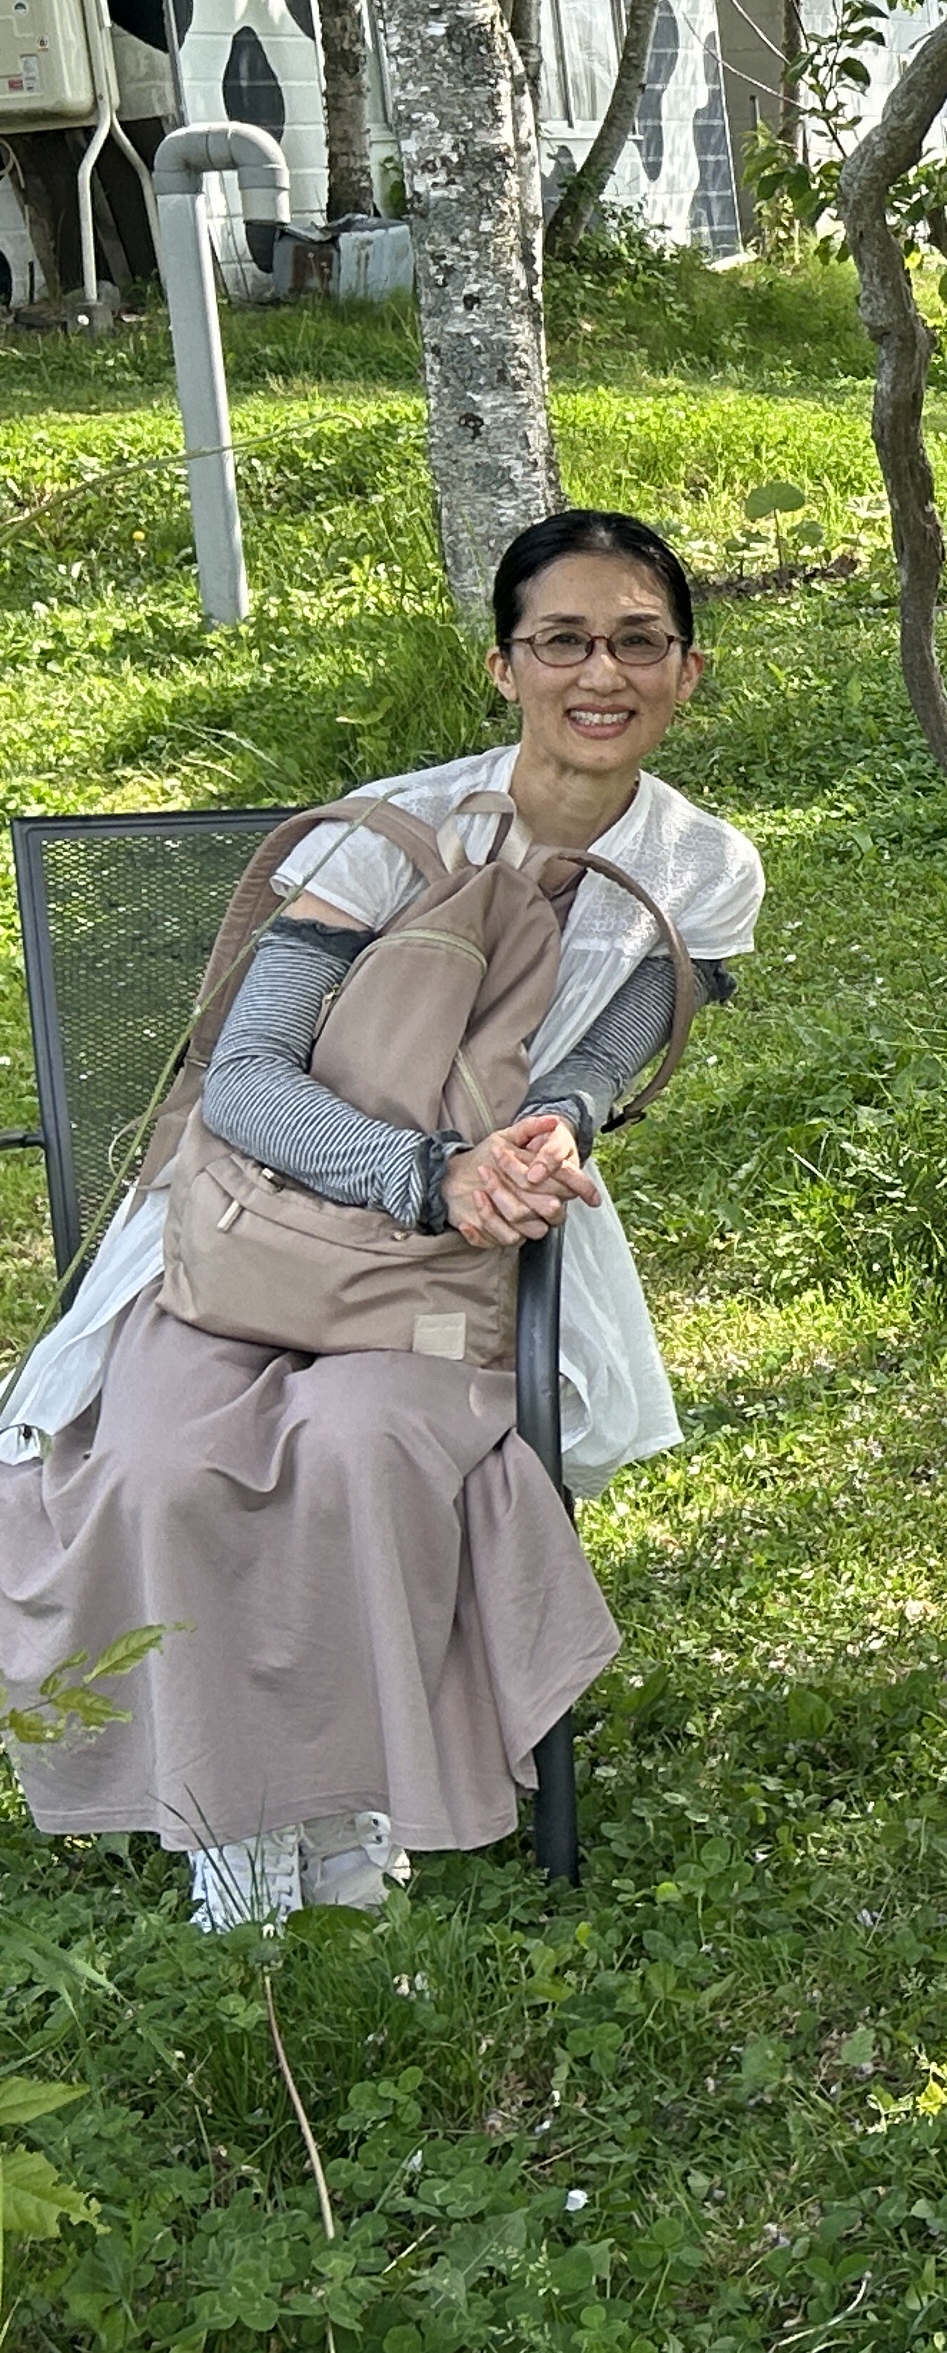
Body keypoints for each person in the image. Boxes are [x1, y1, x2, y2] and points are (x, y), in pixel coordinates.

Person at [0, 509, 760, 1930]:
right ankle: (231, 1827)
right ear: (504, 666)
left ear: (686, 670)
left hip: (463, 1261)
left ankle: (353, 1822)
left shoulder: (705, 866)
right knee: (161, 1464)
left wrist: (546, 1139)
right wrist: (427, 1173)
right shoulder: (389, 831)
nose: (602, 673)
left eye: (638, 640)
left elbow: (601, 1071)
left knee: (364, 1450)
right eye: (563, 641)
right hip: (253, 1227)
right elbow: (244, 1078)